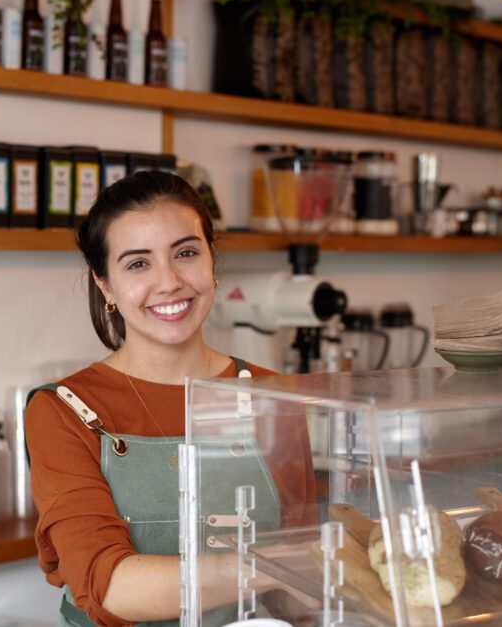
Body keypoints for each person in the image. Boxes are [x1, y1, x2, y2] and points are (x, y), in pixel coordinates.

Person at [25, 171, 316, 627]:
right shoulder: (64, 409)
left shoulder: (273, 396)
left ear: (211, 260)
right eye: (138, 264)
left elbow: (301, 583)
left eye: (185, 253)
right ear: (105, 286)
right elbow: (109, 587)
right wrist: (270, 566)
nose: (169, 282)